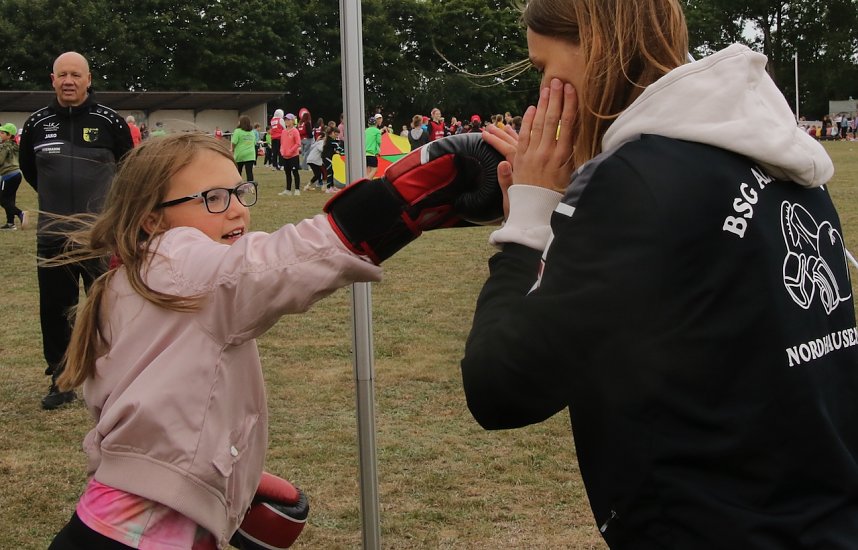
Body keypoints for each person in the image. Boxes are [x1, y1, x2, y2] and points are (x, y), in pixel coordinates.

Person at [465, 0, 858, 547]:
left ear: (597, 50)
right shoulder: (782, 156)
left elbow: (500, 387)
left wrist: (528, 220)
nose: (541, 91)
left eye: (543, 68)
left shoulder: (640, 180)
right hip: (822, 515)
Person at [45, 130, 500, 549]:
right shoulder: (178, 261)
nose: (239, 208)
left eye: (239, 192)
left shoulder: (129, 279)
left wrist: (220, 477)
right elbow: (268, 266)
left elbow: (154, 412)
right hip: (137, 536)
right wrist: (389, 205)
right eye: (214, 198)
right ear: (151, 220)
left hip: (110, 518)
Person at [18, 51, 133, 410]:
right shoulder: (36, 124)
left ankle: (117, 378)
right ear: (52, 79)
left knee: (108, 307)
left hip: (99, 234)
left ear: (88, 79)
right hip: (52, 234)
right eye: (62, 75)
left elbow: (128, 170)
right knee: (55, 308)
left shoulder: (110, 122)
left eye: (75, 74)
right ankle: (62, 377)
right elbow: (31, 173)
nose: (69, 81)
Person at [0, 123, 25, 230]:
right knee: (10, 200)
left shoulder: (5, 146)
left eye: (2, 133)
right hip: (17, 174)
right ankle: (10, 224)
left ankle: (20, 213)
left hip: (8, 175)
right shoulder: (15, 145)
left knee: (2, 199)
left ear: (9, 135)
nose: (0, 134)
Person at [278, 113, 301, 196]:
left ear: (292, 121)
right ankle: (288, 190)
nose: (287, 121)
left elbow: (298, 143)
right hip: (285, 156)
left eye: (288, 120)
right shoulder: (283, 131)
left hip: (293, 156)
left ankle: (297, 189)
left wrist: (291, 151)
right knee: (287, 173)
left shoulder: (295, 131)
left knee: (295, 172)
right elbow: (282, 143)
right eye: (286, 120)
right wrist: (282, 151)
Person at [231, 115, 257, 182]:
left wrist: (232, 149)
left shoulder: (237, 131)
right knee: (249, 172)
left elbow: (234, 142)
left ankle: (238, 184)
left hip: (240, 153)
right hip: (250, 154)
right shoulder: (252, 132)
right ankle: (251, 186)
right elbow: (254, 142)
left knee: (238, 171)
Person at [322, 126, 344, 193]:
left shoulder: (330, 140)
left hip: (328, 157)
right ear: (332, 133)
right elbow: (339, 148)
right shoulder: (331, 141)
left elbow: (333, 149)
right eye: (336, 135)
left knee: (332, 172)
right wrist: (345, 152)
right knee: (330, 172)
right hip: (327, 158)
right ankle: (328, 188)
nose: (336, 136)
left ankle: (332, 187)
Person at [365, 113, 383, 179]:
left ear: (368, 124)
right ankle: (367, 181)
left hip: (364, 154)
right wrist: (378, 151)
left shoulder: (365, 131)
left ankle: (367, 183)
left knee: (368, 170)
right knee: (374, 170)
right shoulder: (377, 131)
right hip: (372, 154)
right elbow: (379, 142)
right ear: (376, 124)